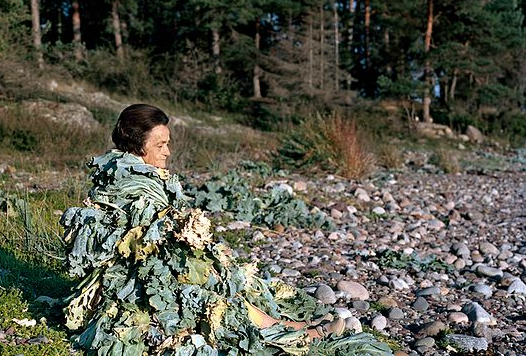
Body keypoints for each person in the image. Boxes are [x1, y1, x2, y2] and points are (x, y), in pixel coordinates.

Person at [61, 104, 391, 355]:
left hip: (150, 268)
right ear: (137, 144)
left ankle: (288, 325)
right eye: (160, 144)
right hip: (136, 283)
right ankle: (291, 331)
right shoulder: (131, 181)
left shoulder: (132, 172)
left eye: (167, 143)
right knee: (209, 295)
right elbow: (143, 240)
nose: (167, 151)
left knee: (231, 278)